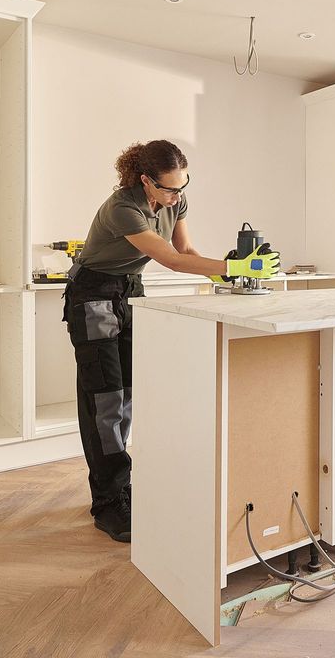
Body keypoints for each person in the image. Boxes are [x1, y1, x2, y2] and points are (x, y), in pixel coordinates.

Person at [64, 139, 280, 542]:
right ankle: (108, 504)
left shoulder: (176, 203)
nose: (177, 195)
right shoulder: (122, 208)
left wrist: (226, 274)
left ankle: (120, 488)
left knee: (127, 394)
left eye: (182, 186)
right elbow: (171, 259)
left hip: (130, 291)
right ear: (145, 180)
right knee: (103, 400)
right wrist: (234, 266)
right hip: (92, 295)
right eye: (168, 188)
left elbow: (187, 249)